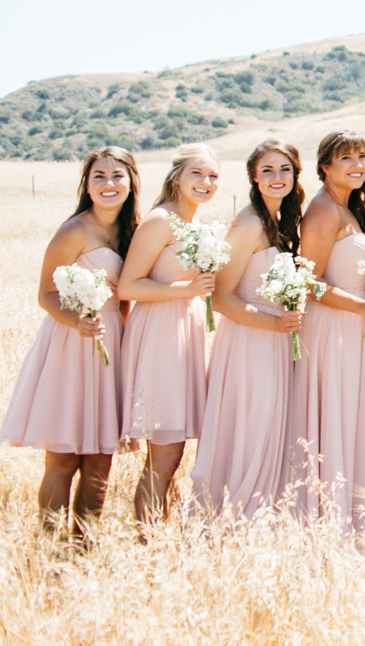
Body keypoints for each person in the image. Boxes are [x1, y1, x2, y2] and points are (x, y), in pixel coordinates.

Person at [0, 147, 136, 536]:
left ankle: (82, 547)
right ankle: (49, 546)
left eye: (117, 175)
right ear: (87, 186)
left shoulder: (132, 231)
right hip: (71, 345)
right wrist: (77, 321)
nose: (109, 183)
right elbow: (46, 294)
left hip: (111, 346)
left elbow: (126, 296)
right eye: (99, 176)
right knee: (63, 458)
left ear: (131, 183)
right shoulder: (74, 231)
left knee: (100, 461)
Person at [191, 140, 309, 520]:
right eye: (268, 170)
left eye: (285, 169)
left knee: (270, 430)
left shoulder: (280, 221)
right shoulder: (249, 224)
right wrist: (275, 323)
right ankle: (232, 517)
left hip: (276, 342)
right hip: (249, 342)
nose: (277, 177)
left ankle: (261, 518)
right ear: (254, 177)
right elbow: (220, 297)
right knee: (252, 429)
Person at [290, 131, 365, 529]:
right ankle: (328, 518)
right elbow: (307, 282)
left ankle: (354, 513)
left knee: (353, 419)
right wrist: (360, 306)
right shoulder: (324, 210)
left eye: (362, 156)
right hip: (333, 330)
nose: (357, 165)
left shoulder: (348, 208)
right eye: (346, 158)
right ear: (325, 168)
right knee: (336, 417)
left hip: (357, 330)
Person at [116, 143, 220, 521]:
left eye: (213, 176)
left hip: (186, 332)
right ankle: (146, 537)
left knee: (171, 452)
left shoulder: (197, 224)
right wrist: (188, 289)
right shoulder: (160, 220)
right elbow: (128, 286)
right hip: (160, 334)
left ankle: (159, 530)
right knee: (167, 448)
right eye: (197, 173)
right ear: (177, 177)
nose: (206, 181)